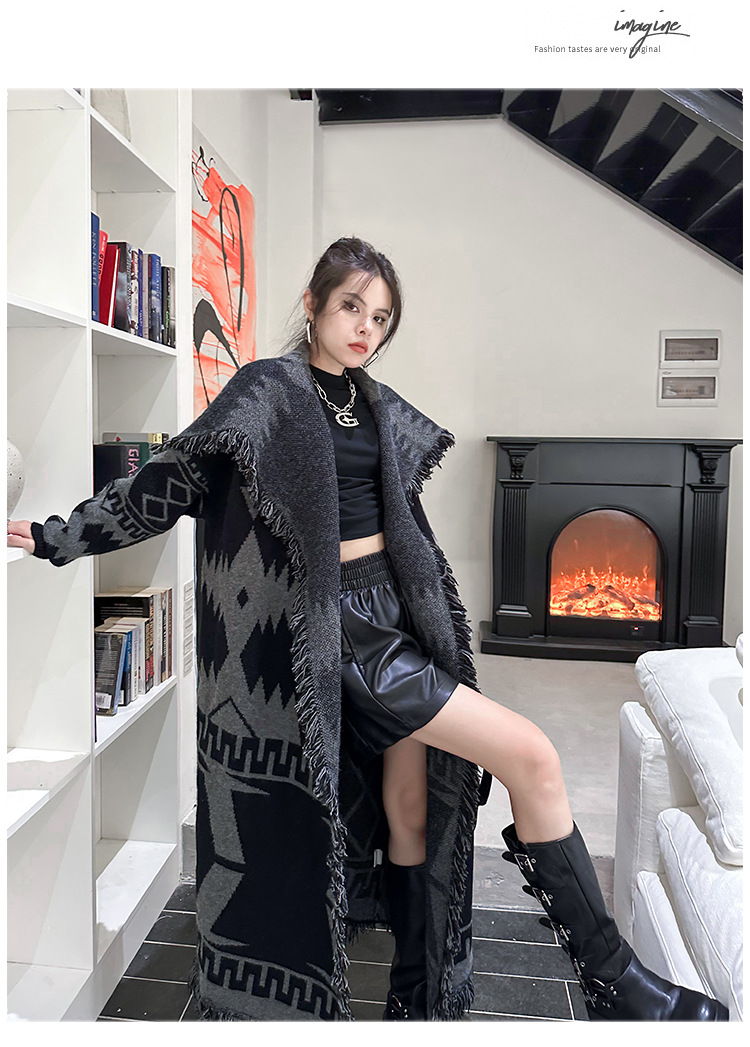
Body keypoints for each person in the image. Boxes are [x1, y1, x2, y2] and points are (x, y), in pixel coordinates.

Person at [8, 237, 728, 1024]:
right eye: (352, 306)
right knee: (533, 755)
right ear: (313, 304)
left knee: (410, 804)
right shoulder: (266, 391)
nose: (365, 328)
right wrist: (57, 536)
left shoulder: (370, 400)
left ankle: (414, 1005)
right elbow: (170, 478)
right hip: (341, 626)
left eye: (380, 317)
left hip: (396, 612)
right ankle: (619, 984)